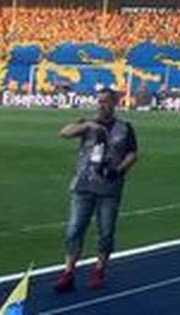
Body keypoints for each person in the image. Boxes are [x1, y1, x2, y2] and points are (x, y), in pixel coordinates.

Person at [55, 88, 139, 292]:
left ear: (114, 103)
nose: (101, 105)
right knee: (74, 229)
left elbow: (132, 154)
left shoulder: (125, 128)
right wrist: (88, 125)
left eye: (105, 101)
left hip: (109, 186)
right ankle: (68, 271)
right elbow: (64, 132)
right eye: (99, 101)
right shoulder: (87, 124)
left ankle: (99, 269)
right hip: (83, 183)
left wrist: (119, 170)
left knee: (106, 231)